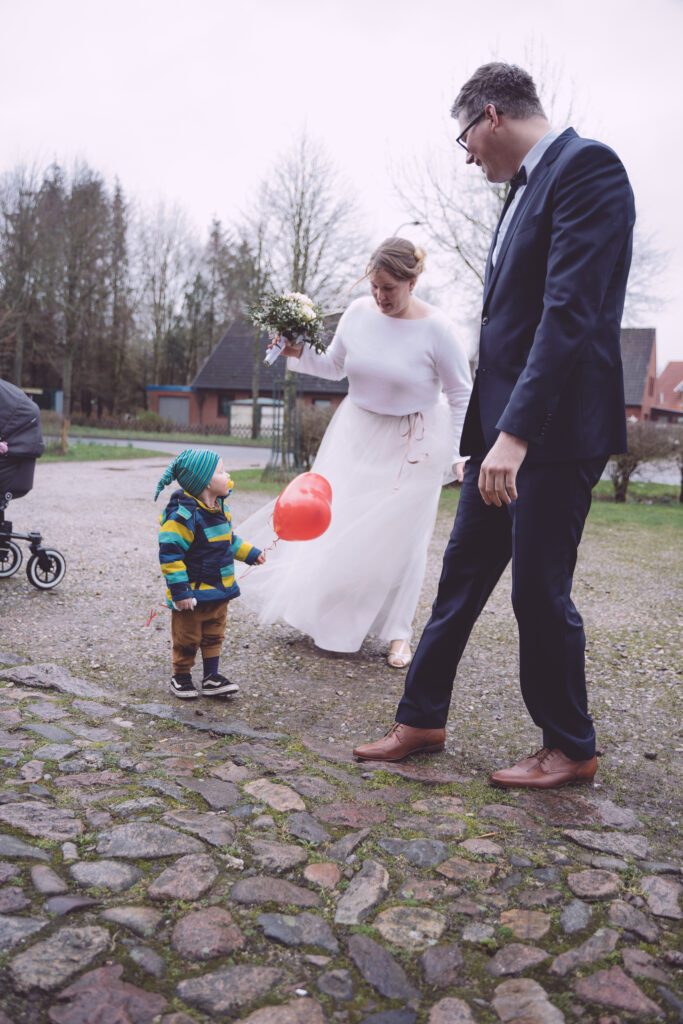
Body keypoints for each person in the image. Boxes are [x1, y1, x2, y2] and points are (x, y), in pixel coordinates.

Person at [353, 63, 635, 789]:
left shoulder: (587, 168)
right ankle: (421, 718)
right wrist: (482, 436)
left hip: (554, 430)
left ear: (489, 116)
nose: (467, 154)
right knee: (461, 576)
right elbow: (504, 326)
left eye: (464, 139)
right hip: (500, 430)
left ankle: (569, 746)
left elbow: (567, 313)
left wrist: (516, 435)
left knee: (538, 590)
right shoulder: (521, 190)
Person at [237, 238, 472, 665]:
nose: (380, 296)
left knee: (404, 539)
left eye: (390, 288)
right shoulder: (359, 313)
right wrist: (298, 352)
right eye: (375, 286)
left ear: (412, 282)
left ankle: (398, 632)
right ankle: (329, 616)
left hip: (413, 443)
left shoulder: (438, 329)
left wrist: (457, 452)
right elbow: (334, 366)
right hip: (356, 432)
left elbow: (460, 393)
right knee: (341, 523)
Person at [155, 448, 265, 699]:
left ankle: (211, 677)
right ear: (205, 481)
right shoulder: (183, 516)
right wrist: (180, 591)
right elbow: (170, 554)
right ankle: (181, 676)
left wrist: (250, 553)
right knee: (187, 636)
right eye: (221, 471)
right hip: (192, 595)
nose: (228, 475)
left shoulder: (219, 509)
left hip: (219, 589)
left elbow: (229, 540)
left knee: (215, 633)